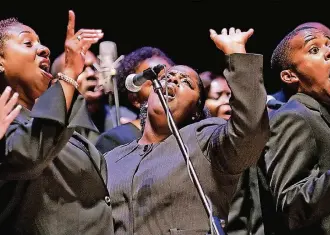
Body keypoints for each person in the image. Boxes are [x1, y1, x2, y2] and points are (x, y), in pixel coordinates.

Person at [105, 27, 269, 234]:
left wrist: (236, 53)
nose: (173, 80)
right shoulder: (112, 159)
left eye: (186, 82)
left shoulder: (205, 140)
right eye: (167, 77)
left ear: (195, 111)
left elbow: (250, 132)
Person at [0, 11, 114, 234]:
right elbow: (30, 154)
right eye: (27, 42)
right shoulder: (8, 123)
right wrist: (69, 71)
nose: (44, 49)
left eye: (41, 43)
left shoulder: (69, 131)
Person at [257, 25, 330, 235]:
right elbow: (291, 207)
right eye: (314, 49)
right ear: (290, 76)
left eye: (329, 45)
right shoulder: (293, 117)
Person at [95, 46, 175, 154]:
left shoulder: (188, 134)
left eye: (168, 79)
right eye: (154, 82)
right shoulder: (115, 141)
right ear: (135, 99)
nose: (166, 86)